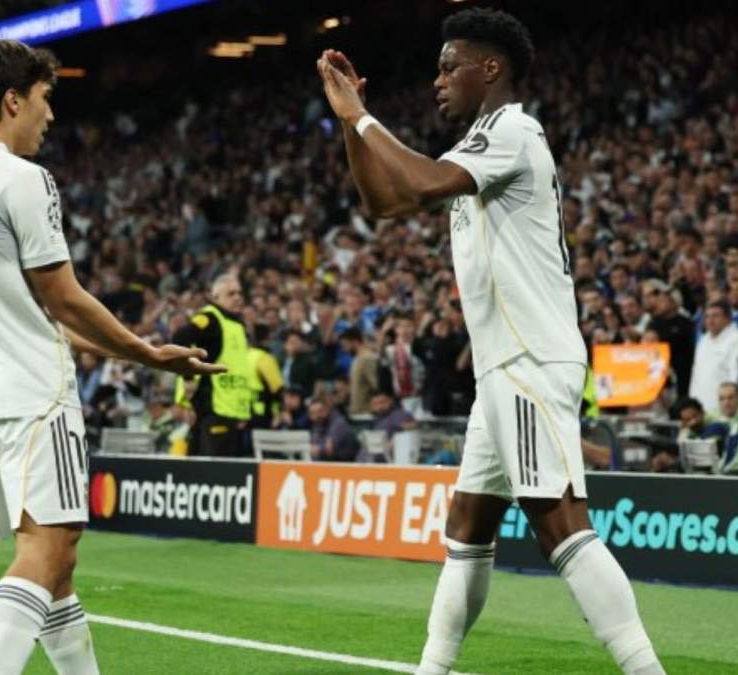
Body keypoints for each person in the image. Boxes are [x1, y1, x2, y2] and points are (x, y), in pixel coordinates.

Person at [317, 9, 663, 674]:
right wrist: (348, 123)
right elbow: (385, 204)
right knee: (467, 532)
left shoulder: (512, 130)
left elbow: (416, 181)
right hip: (503, 370)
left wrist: (363, 115)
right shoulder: (479, 144)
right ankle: (433, 668)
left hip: (529, 358)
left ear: (492, 69)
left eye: (451, 67)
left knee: (561, 525)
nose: (437, 80)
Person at [0, 40, 221, 675]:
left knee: (58, 565)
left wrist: (132, 352)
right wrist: (148, 355)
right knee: (47, 552)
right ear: (13, 99)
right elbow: (64, 298)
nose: (50, 116)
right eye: (46, 99)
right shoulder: (22, 178)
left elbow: (17, 306)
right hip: (34, 392)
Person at [171, 273, 255, 456]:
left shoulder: (237, 324)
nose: (238, 297)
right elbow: (180, 337)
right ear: (216, 297)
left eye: (239, 293)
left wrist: (242, 413)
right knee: (212, 475)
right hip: (212, 409)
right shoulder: (211, 318)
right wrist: (187, 377)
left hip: (231, 414)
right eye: (231, 294)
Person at [690, 300, 738, 415]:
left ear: (728, 318)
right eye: (707, 316)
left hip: (729, 413)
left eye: (715, 316)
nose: (710, 321)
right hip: (703, 411)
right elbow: (696, 377)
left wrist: (733, 410)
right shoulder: (703, 341)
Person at [248, 324, 284, 429]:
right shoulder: (265, 358)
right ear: (269, 338)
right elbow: (277, 388)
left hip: (245, 410)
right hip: (262, 411)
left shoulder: (247, 355)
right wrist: (279, 412)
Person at [307, 397, 358, 461]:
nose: (317, 416)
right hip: (329, 465)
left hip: (348, 465)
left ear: (327, 409)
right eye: (313, 413)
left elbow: (329, 449)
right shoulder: (317, 424)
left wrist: (317, 449)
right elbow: (314, 448)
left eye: (320, 411)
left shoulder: (338, 423)